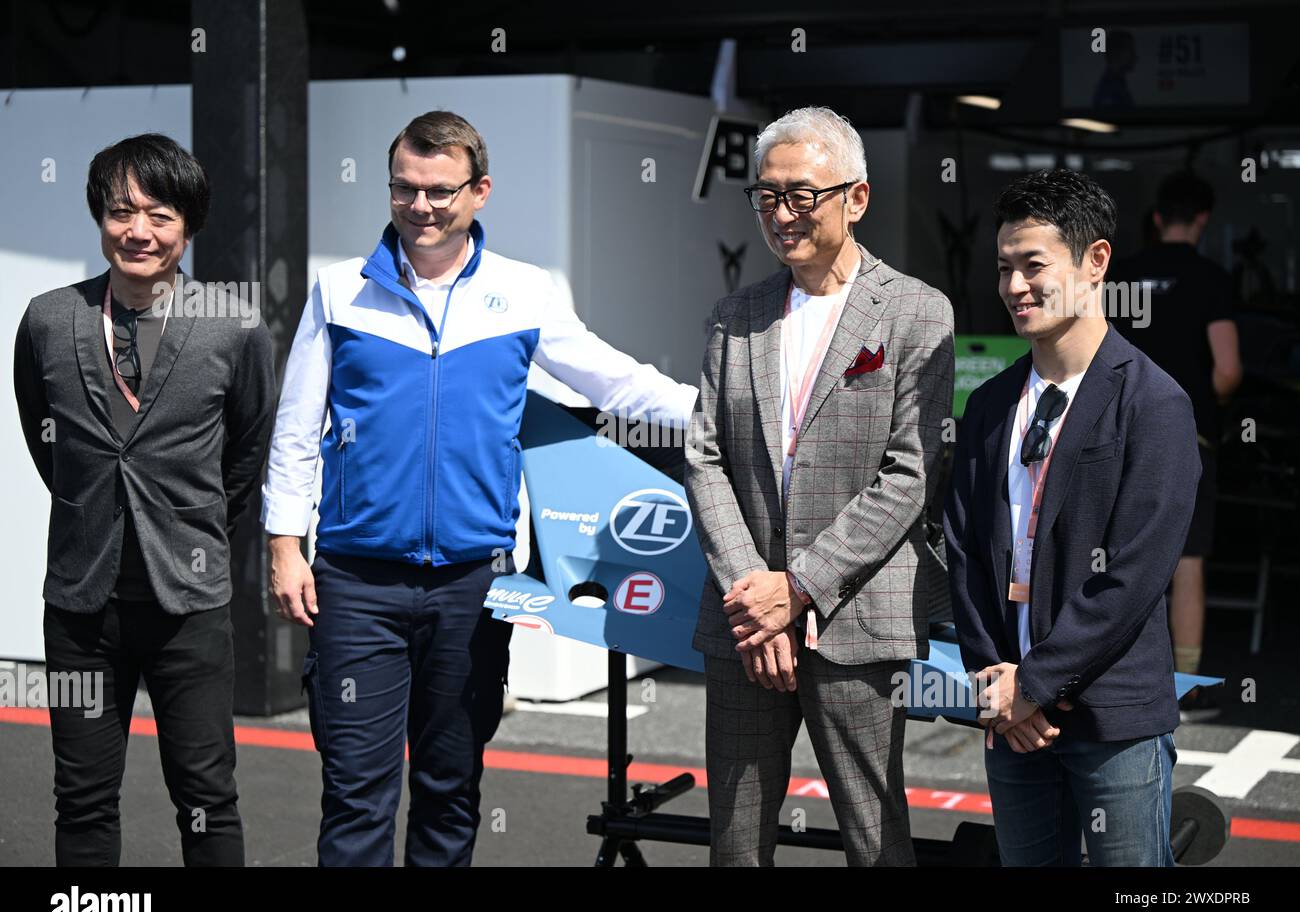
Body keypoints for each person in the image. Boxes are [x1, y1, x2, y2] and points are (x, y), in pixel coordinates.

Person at [262, 110, 697, 867]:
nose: (420, 206)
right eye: (405, 188)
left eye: (440, 191)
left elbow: (616, 381)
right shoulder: (339, 292)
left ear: (480, 190)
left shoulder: (523, 293)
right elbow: (296, 429)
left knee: (451, 786)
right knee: (356, 794)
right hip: (356, 583)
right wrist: (282, 545)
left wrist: (720, 411)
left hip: (474, 584)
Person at [685, 106, 954, 866]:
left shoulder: (915, 310)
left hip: (857, 621)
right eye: (767, 196)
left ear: (856, 198)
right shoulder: (734, 315)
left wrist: (797, 587)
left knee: (875, 840)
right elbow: (705, 458)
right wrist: (755, 598)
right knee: (735, 844)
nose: (781, 214)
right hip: (746, 628)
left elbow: (910, 476)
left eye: (802, 194)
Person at [13, 133, 275, 866]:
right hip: (77, 609)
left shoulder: (235, 324)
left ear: (188, 225)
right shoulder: (45, 319)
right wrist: (96, 509)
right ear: (99, 216)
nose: (138, 230)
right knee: (82, 797)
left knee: (206, 798)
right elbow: (49, 446)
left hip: (188, 606)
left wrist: (188, 526)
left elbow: (247, 454)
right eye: (121, 211)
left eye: (159, 214)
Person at [944, 168, 1200, 866]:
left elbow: (1134, 575)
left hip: (1112, 719)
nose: (1014, 287)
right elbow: (965, 551)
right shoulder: (992, 405)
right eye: (1004, 269)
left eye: (1033, 266)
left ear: (1096, 263)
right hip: (1013, 716)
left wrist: (1034, 684)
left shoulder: (1153, 403)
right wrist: (996, 680)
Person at [1111, 170, 1242, 718]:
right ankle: (1184, 687)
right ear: (1204, 219)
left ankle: (1114, 681)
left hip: (1118, 434)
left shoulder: (1121, 274)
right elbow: (1229, 370)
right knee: (1187, 559)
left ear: (1158, 218)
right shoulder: (1211, 278)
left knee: (1116, 555)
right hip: (1188, 437)